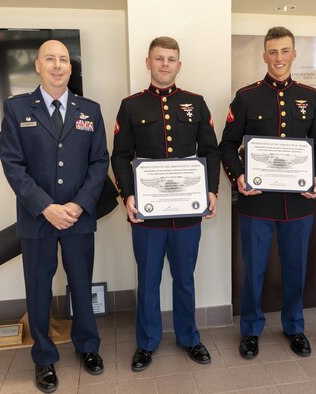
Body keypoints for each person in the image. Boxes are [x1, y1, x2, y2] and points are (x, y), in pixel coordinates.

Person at [0, 40, 109, 392]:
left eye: (63, 60)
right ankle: (44, 358)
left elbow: (99, 162)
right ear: (38, 65)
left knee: (81, 283)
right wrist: (45, 206)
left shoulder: (89, 110)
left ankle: (87, 347)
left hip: (78, 218)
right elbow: (12, 164)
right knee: (39, 290)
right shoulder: (17, 109)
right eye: (51, 59)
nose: (58, 65)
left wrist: (78, 205)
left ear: (70, 68)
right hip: (37, 219)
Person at [111, 36, 220, 371]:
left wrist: (211, 190)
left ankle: (189, 336)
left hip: (187, 211)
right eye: (159, 59)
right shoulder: (131, 106)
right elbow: (120, 156)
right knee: (148, 278)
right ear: (148, 62)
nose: (165, 65)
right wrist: (127, 195)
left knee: (185, 277)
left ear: (179, 64)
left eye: (171, 59)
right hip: (148, 212)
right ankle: (146, 342)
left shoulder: (196, 103)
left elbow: (210, 151)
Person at [219, 26, 316, 359]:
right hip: (257, 203)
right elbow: (227, 144)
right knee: (254, 270)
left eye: (285, 51)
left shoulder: (309, 96)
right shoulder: (247, 96)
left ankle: (294, 326)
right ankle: (251, 329)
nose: (279, 58)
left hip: (298, 203)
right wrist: (237, 177)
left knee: (295, 268)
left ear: (294, 54)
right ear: (264, 55)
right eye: (272, 51)